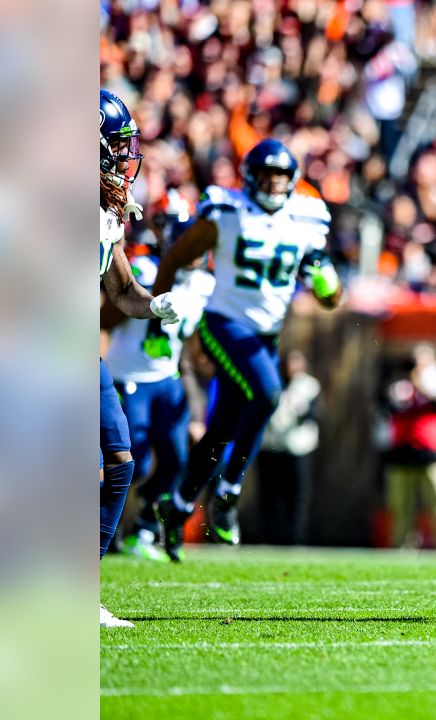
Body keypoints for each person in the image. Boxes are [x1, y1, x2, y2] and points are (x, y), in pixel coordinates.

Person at [151, 138, 343, 561]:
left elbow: (330, 296)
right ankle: (229, 492)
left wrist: (330, 287)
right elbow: (175, 257)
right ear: (250, 177)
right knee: (269, 393)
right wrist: (154, 312)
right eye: (267, 174)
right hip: (223, 324)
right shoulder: (227, 213)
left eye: (281, 175)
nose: (274, 184)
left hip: (265, 337)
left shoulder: (307, 220)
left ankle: (178, 504)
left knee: (223, 427)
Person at [98, 89, 184, 626]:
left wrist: (154, 306)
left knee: (120, 466)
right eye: (117, 147)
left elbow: (121, 289)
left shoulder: (104, 215)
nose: (127, 159)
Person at [106, 191, 216, 561]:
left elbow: (191, 348)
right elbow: (109, 314)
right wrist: (148, 303)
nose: (195, 255)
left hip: (167, 379)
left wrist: (201, 391)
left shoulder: (203, 285)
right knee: (133, 458)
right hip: (130, 376)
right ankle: (103, 527)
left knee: (176, 460)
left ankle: (144, 530)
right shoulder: (145, 269)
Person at [384, 346, 436, 549]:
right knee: (401, 505)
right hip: (404, 451)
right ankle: (401, 547)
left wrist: (425, 388)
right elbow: (390, 408)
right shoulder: (401, 383)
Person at [256, 350, 322, 545]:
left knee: (297, 495)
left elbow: (314, 415)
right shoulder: (272, 382)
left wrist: (302, 410)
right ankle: (269, 536)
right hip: (271, 446)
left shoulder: (308, 386)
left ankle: (295, 537)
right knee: (270, 495)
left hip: (297, 447)